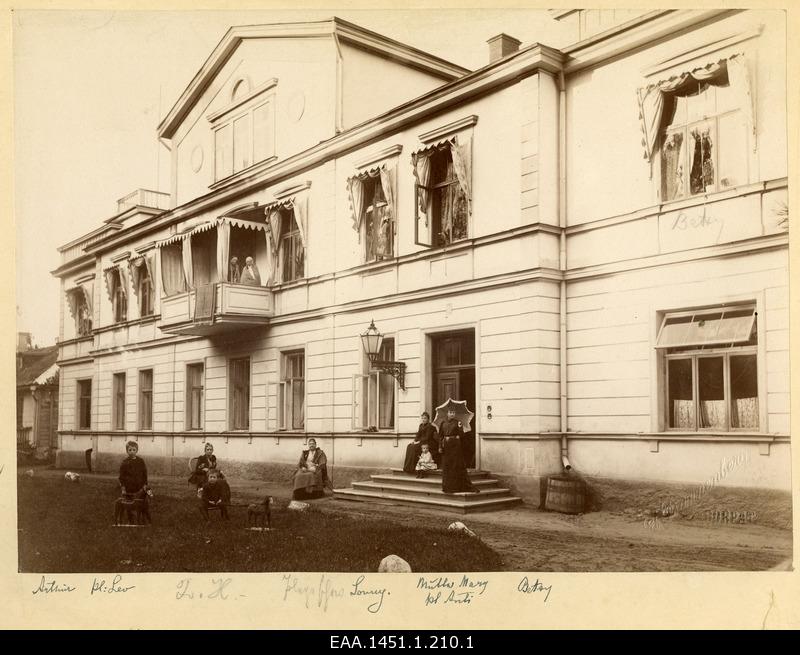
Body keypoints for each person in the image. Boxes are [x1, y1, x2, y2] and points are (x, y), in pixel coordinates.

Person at [439, 409, 479, 494]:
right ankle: (448, 487)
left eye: (453, 412)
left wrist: (460, 427)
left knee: (455, 465)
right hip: (446, 446)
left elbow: (462, 435)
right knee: (447, 466)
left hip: (455, 447)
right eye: (450, 412)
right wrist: (440, 447)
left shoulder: (457, 422)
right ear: (447, 413)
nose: (452, 414)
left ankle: (455, 487)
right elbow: (440, 436)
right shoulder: (443, 423)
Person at [119, 440, 150, 507]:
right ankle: (130, 515)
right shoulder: (125, 462)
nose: (132, 452)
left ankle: (141, 513)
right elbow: (122, 476)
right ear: (127, 451)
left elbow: (144, 473)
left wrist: (145, 484)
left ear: (136, 450)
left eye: (134, 450)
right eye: (130, 450)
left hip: (139, 487)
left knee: (140, 502)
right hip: (129, 487)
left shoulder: (140, 461)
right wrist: (123, 487)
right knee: (129, 503)